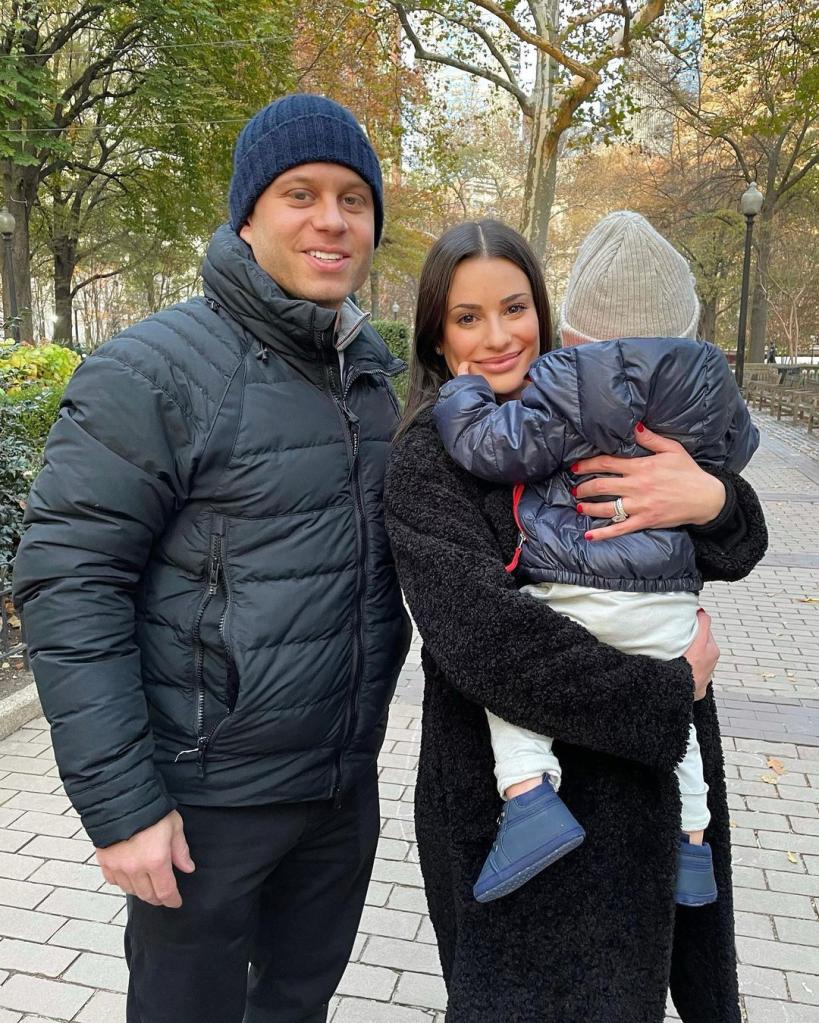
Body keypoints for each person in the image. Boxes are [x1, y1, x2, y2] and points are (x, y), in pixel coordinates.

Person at [13, 93, 412, 1023]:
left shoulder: (370, 377)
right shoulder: (154, 368)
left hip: (337, 790)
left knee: (295, 1005)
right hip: (201, 807)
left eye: (354, 199)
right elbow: (70, 585)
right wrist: (121, 810)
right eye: (300, 193)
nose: (331, 220)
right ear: (247, 213)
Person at [384, 218, 768, 1022]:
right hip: (514, 807)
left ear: (547, 313)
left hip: (645, 797)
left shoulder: (600, 413)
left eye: (514, 307)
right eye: (465, 317)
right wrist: (666, 693)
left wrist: (710, 498)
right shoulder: (432, 455)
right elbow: (487, 641)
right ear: (436, 333)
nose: (496, 336)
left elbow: (731, 548)